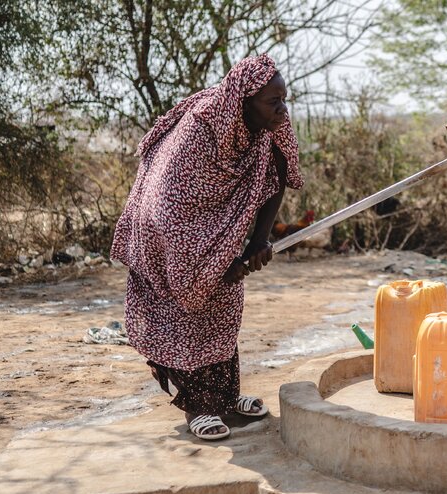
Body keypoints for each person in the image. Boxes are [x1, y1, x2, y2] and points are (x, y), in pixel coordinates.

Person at [110, 54, 304, 440]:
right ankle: (198, 406)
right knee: (186, 313)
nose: (282, 109)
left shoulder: (273, 124)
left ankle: (225, 397)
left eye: (284, 99)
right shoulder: (199, 129)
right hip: (162, 231)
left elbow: (278, 175)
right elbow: (167, 207)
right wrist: (210, 265)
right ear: (243, 102)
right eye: (273, 102)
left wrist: (259, 240)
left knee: (224, 304)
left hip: (212, 229)